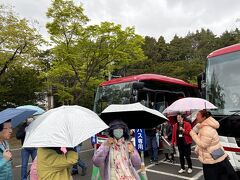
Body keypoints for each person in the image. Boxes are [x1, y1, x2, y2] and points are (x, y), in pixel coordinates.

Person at [190, 109, 239, 180]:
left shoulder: (206, 129)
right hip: (216, 153)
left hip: (210, 159)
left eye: (198, 115)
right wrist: (198, 127)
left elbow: (203, 145)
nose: (196, 117)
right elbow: (208, 142)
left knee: (213, 175)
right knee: (223, 173)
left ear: (203, 117)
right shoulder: (206, 125)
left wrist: (193, 134)